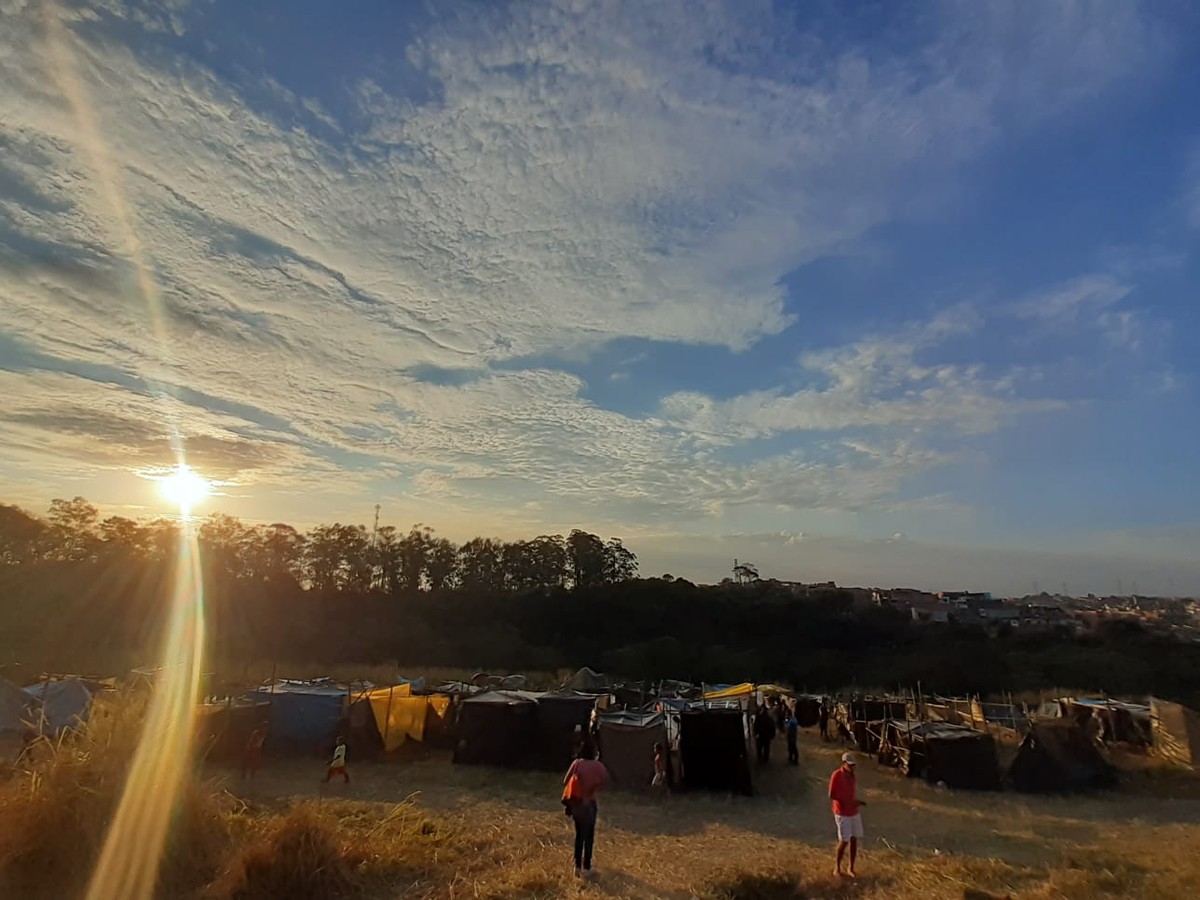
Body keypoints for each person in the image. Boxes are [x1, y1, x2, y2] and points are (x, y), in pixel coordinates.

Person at [563, 741, 608, 878]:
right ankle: (587, 867)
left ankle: (576, 867)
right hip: (590, 803)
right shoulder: (598, 766)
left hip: (577, 804)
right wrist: (593, 787)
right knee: (589, 836)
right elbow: (605, 782)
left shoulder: (577, 764)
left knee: (579, 835)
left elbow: (565, 780)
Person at [829, 752, 866, 878]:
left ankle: (851, 867)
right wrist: (846, 801)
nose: (852, 767)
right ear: (843, 764)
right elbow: (832, 795)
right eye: (850, 765)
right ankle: (837, 867)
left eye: (854, 765)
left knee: (854, 839)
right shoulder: (836, 775)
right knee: (844, 841)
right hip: (842, 812)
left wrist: (856, 802)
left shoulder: (852, 776)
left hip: (853, 811)